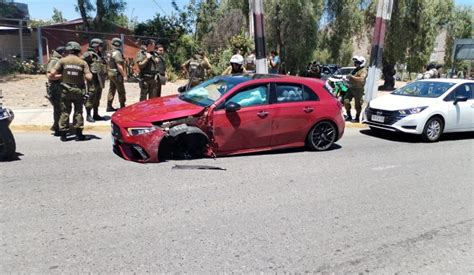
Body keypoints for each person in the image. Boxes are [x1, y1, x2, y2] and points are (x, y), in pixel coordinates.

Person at [48, 41, 92, 141]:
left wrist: (63, 75)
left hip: (65, 91)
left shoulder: (62, 61)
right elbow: (89, 76)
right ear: (78, 51)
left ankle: (63, 135)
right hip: (78, 91)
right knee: (78, 112)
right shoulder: (82, 62)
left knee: (65, 112)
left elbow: (52, 74)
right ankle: (79, 135)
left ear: (68, 50)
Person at [82, 38, 106, 122]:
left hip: (99, 80)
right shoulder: (88, 54)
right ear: (95, 46)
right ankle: (88, 115)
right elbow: (81, 63)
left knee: (97, 97)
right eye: (100, 46)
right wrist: (86, 73)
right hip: (92, 80)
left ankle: (95, 114)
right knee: (91, 96)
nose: (101, 48)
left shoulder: (98, 54)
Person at [45, 46, 66, 136]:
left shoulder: (59, 59)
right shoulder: (54, 61)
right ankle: (57, 128)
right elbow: (50, 75)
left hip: (59, 87)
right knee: (58, 109)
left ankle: (58, 126)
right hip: (55, 88)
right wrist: (64, 75)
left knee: (61, 108)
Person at [344, 55, 368, 122]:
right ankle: (349, 115)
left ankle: (357, 118)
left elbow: (361, 79)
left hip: (358, 90)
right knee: (346, 100)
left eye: (358, 62)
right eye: (356, 62)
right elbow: (350, 77)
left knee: (358, 104)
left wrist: (351, 77)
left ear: (361, 63)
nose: (356, 64)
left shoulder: (363, 70)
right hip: (351, 88)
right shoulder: (355, 70)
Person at [106, 37, 127, 111]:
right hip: (116, 74)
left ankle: (109, 105)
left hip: (111, 73)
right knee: (121, 90)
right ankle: (122, 106)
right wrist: (124, 75)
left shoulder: (110, 52)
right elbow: (119, 65)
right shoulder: (117, 53)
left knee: (112, 89)